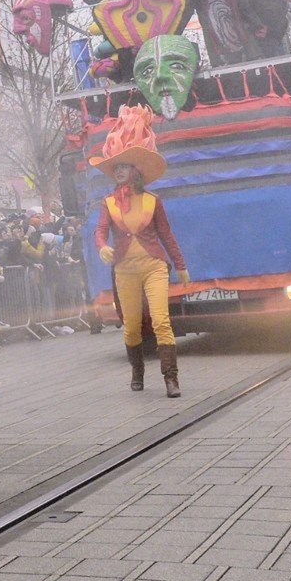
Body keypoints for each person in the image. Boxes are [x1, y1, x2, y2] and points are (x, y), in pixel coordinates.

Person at [91, 106, 189, 398]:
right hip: (124, 271)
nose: (118, 170)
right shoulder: (108, 202)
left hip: (154, 267)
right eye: (115, 167)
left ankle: (171, 379)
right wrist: (102, 246)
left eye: (123, 166)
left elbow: (166, 234)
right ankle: (137, 372)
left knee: (161, 321)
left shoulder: (153, 201)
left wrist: (180, 265)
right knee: (131, 327)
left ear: (135, 170)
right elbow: (99, 231)